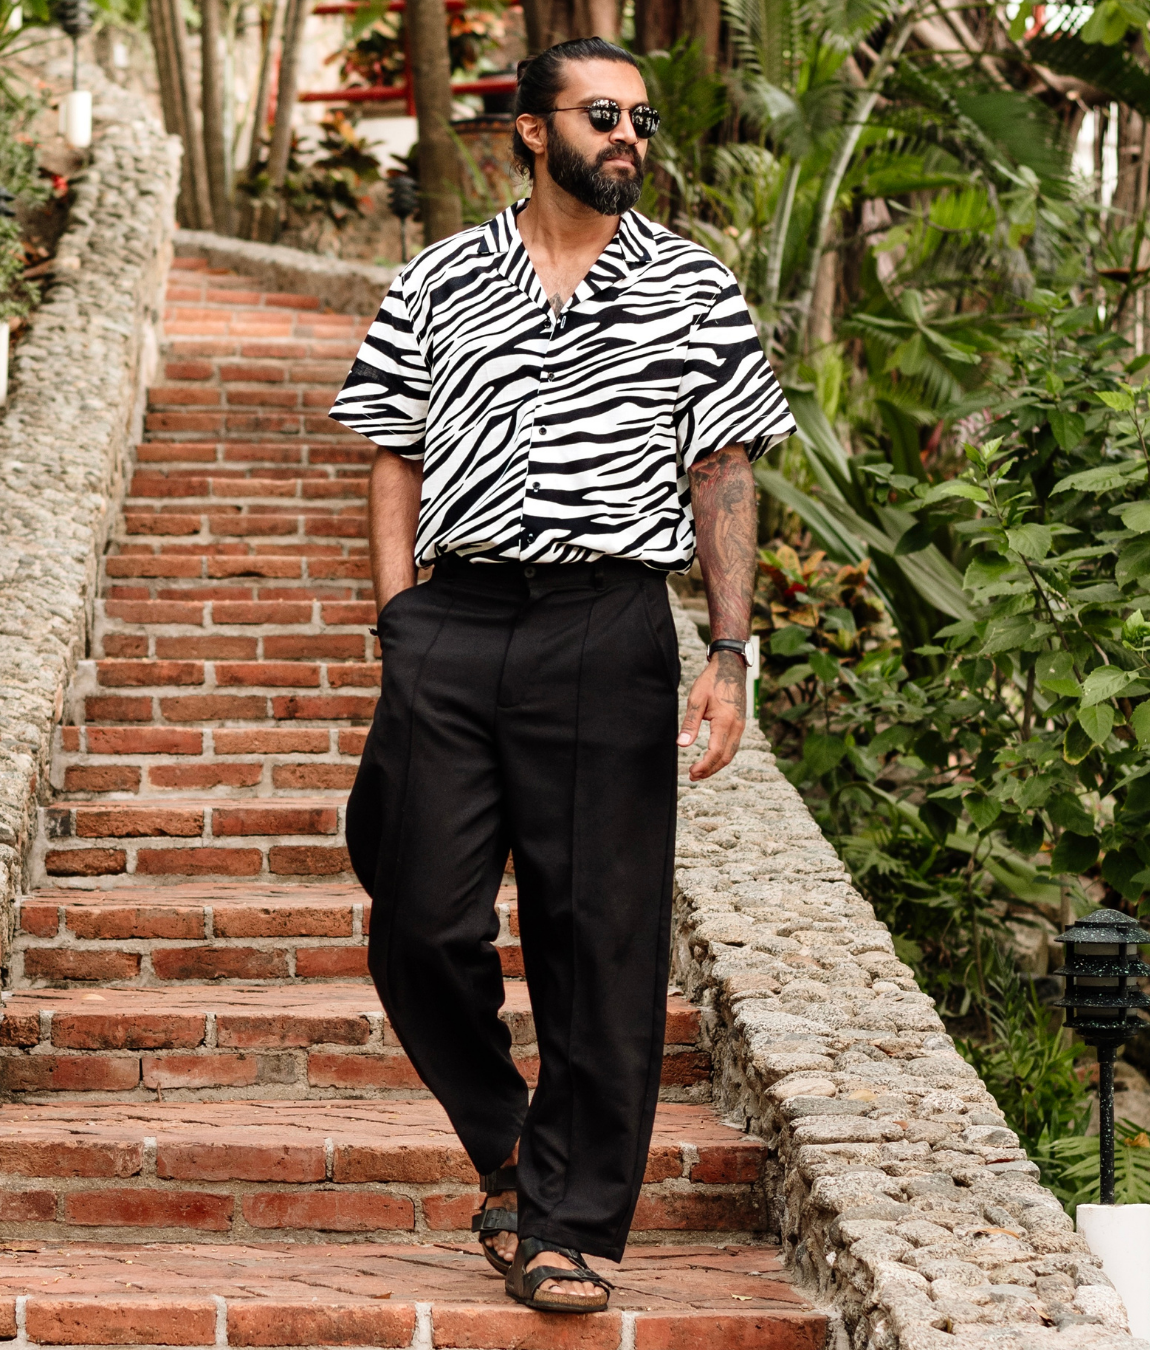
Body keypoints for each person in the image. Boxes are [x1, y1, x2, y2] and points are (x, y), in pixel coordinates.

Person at [329, 35, 795, 1315]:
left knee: (600, 933)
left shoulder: (692, 285)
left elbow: (724, 473)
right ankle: (507, 1141)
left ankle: (566, 1226)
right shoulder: (437, 278)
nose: (628, 136)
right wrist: (399, 620)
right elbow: (392, 452)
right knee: (418, 913)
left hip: (608, 623)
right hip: (456, 617)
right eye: (602, 115)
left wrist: (727, 653)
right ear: (533, 130)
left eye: (640, 118)